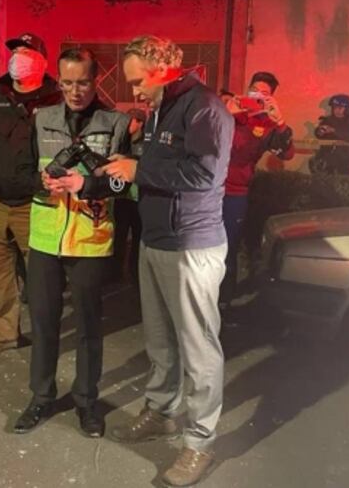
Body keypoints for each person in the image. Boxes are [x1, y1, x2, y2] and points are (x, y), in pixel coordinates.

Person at [104, 35, 234, 487]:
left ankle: (199, 443)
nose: (134, 91)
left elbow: (204, 174)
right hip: (156, 239)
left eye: (138, 81)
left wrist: (138, 170)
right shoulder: (163, 106)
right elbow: (165, 162)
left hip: (190, 245)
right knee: (160, 341)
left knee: (198, 350)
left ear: (162, 70)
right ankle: (162, 412)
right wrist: (130, 162)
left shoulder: (205, 108)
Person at [13, 48, 131, 438]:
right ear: (58, 81)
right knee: (43, 323)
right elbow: (21, 173)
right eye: (67, 83)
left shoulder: (116, 123)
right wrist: (41, 181)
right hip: (46, 238)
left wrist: (87, 184)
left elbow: (125, 185)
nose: (75, 91)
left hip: (91, 240)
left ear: (96, 80)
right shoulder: (41, 118)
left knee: (88, 328)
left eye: (82, 82)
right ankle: (41, 397)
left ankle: (86, 401)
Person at [0, 32, 61, 356]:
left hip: (35, 202)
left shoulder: (55, 101)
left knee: (41, 277)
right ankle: (5, 334)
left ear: (42, 61)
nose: (17, 57)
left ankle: (46, 338)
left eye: (26, 52)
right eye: (15, 51)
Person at [219, 72, 294, 310]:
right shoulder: (229, 112)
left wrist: (280, 122)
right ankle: (199, 294)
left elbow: (287, 153)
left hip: (235, 194)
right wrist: (226, 115)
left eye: (264, 94)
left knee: (227, 247)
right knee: (201, 245)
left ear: (271, 98)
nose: (257, 96)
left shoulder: (267, 124)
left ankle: (223, 300)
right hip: (207, 190)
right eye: (254, 90)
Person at [112, 107, 146, 284]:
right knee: (119, 236)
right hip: (122, 197)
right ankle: (115, 272)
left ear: (139, 123)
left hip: (139, 199)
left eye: (130, 121)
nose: (126, 124)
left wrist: (127, 158)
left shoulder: (146, 142)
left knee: (138, 238)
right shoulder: (122, 141)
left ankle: (135, 272)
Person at [310, 93, 349, 176]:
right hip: (326, 156)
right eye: (335, 107)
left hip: (344, 158)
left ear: (346, 109)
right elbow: (319, 135)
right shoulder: (328, 120)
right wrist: (320, 131)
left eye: (340, 108)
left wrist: (333, 130)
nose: (337, 110)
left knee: (342, 180)